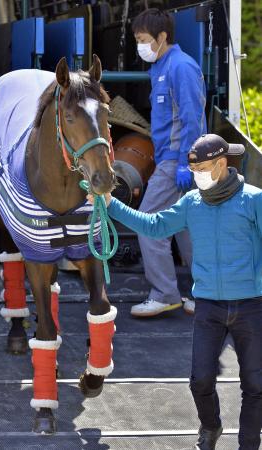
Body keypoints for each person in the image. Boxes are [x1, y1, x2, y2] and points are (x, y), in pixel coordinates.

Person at [87, 134, 262, 450]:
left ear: (222, 164)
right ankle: (211, 426)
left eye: (203, 168)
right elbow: (154, 225)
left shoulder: (253, 200)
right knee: (200, 382)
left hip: (252, 306)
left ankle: (249, 443)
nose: (197, 176)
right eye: (194, 169)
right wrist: (110, 204)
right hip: (209, 306)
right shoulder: (191, 204)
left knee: (255, 384)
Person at [131, 8, 207, 317]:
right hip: (169, 159)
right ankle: (207, 294)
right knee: (185, 227)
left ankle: (165, 294)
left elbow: (192, 119)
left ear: (163, 37)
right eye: (137, 40)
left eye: (145, 39)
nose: (141, 46)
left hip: (177, 160)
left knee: (149, 222)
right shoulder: (161, 66)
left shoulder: (181, 68)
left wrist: (186, 163)